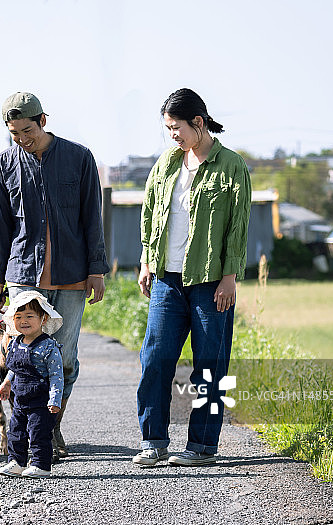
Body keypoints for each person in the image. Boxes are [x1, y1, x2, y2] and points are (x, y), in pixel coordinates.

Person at [0, 91, 110, 461]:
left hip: (72, 277)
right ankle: (22, 435)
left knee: (64, 358)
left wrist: (96, 269)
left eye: (27, 130)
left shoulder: (79, 157)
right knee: (21, 357)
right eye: (14, 134)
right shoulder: (3, 165)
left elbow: (92, 217)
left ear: (43, 120)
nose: (22, 139)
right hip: (23, 274)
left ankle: (51, 425)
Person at [133, 88, 251, 467]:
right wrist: (146, 260)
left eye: (177, 127)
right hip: (167, 279)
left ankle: (201, 446)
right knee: (155, 358)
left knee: (209, 364)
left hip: (211, 281)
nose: (173, 135)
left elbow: (238, 226)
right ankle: (153, 441)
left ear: (198, 122)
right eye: (168, 128)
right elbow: (150, 210)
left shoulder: (231, 165)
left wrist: (229, 277)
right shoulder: (167, 163)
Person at [0, 291, 64, 478]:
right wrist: (7, 382)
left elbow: (57, 376)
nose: (23, 321)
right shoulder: (16, 343)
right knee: (16, 431)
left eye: (29, 316)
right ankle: (16, 462)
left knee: (38, 433)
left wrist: (55, 399)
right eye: (18, 317)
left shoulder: (48, 346)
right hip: (20, 399)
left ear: (44, 318)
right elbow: (15, 368)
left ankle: (41, 465)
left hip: (41, 402)